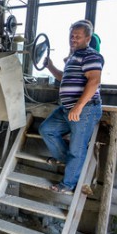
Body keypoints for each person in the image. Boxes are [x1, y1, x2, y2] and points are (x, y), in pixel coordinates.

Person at [39, 20, 104, 194]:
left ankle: (68, 184)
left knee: (77, 148)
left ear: (88, 38)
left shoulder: (91, 56)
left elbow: (94, 81)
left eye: (78, 36)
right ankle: (69, 162)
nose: (73, 39)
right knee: (47, 129)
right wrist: (50, 66)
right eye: (71, 36)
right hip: (67, 109)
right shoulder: (73, 57)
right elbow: (63, 77)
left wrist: (78, 107)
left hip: (85, 110)